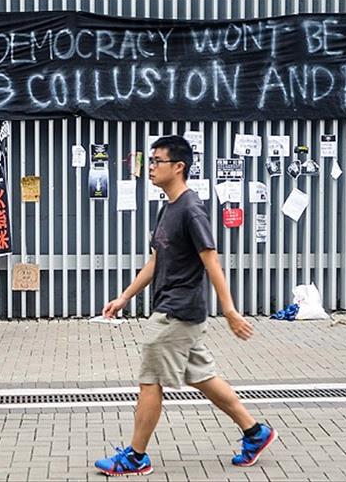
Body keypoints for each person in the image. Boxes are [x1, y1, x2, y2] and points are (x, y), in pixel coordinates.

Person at [93, 136, 276, 476]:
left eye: (157, 161)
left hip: (176, 312)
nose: (150, 167)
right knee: (202, 377)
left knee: (150, 382)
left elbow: (212, 261)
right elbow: (156, 259)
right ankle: (255, 432)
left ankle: (135, 457)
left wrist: (230, 311)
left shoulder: (191, 210)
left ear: (178, 167)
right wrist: (124, 297)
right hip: (178, 310)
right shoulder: (168, 207)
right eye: (150, 161)